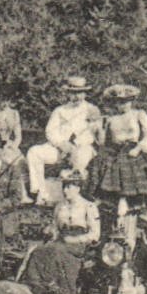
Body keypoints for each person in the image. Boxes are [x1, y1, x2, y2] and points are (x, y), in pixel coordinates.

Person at [91, 84, 147, 250]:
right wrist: (98, 130)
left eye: (126, 101)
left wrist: (139, 148)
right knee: (104, 166)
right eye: (119, 102)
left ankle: (139, 210)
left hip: (133, 151)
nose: (123, 105)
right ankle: (110, 207)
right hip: (114, 152)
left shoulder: (139, 115)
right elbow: (103, 142)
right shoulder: (110, 119)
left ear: (131, 101)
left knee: (131, 168)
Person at [26, 76, 102, 204]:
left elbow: (94, 133)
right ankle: (41, 193)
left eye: (80, 93)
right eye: (73, 93)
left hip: (82, 147)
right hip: (60, 148)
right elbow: (50, 131)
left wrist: (76, 145)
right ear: (68, 94)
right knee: (34, 152)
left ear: (85, 93)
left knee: (81, 157)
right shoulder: (60, 110)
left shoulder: (92, 110)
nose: (77, 96)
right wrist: (61, 144)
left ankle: (76, 196)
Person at [19, 222, 87, 294]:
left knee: (55, 252)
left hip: (77, 240)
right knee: (43, 251)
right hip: (61, 240)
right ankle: (44, 286)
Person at [53, 176, 101, 249]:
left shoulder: (89, 206)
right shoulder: (59, 207)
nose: (65, 190)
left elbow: (95, 234)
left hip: (79, 245)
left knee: (54, 252)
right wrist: (53, 232)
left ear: (78, 189)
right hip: (61, 243)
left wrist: (75, 240)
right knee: (39, 251)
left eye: (68, 187)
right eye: (63, 187)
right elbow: (55, 228)